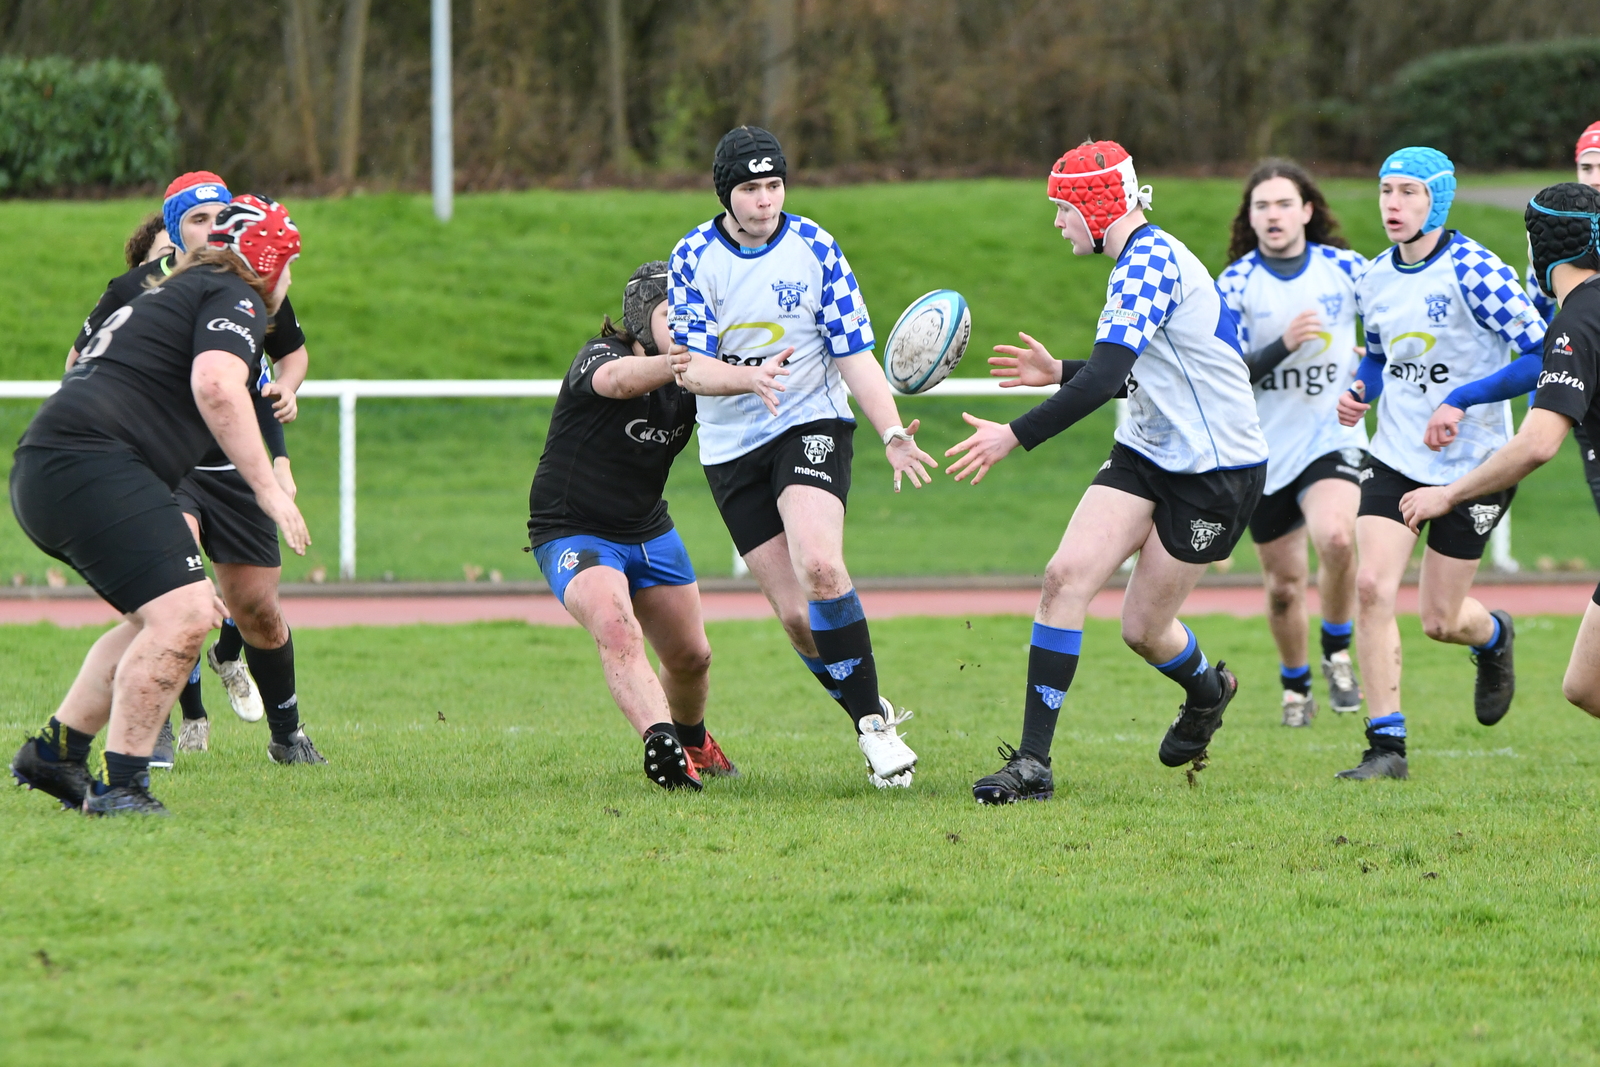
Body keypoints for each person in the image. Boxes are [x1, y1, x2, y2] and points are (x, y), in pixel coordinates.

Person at [947, 140, 1269, 804]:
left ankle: (1208, 691)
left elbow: (1106, 380)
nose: (1058, 223)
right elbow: (1141, 372)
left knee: (1143, 630)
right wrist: (1059, 371)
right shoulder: (1138, 262)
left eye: (1063, 209)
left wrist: (1014, 433)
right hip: (1146, 452)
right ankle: (1033, 762)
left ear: (1096, 207)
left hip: (1218, 470)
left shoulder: (1149, 262)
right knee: (1064, 577)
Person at [9, 195, 310, 816]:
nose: (289, 280)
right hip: (91, 463)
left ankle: (56, 754)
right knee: (187, 616)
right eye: (289, 265)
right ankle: (122, 786)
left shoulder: (184, 286)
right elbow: (217, 385)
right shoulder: (236, 293)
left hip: (58, 464)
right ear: (268, 263)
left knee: (162, 616)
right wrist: (266, 487)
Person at [669, 126, 939, 789]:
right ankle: (868, 714)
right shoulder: (693, 258)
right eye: (751, 189)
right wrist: (749, 378)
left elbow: (853, 352)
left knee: (820, 564)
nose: (765, 201)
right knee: (795, 616)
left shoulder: (814, 247)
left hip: (808, 421)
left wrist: (891, 431)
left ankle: (877, 734)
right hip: (732, 447)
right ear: (725, 194)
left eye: (774, 185)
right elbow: (690, 370)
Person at [1333, 147, 1546, 780]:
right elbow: (1376, 355)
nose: (1392, 205)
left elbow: (1541, 354)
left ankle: (1493, 636)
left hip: (1474, 465)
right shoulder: (1373, 277)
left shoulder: (1476, 269)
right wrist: (1360, 390)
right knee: (1371, 586)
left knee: (1439, 620)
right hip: (1396, 454)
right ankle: (1386, 749)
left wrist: (1462, 398)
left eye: (1408, 193)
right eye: (1385, 191)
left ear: (1438, 200)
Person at [1401, 183, 1600, 717]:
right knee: (1586, 685)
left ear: (1542, 247)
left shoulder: (1576, 323)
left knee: (1587, 685)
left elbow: (1537, 444)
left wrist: (1449, 494)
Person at [528, 262, 729, 791]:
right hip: (572, 529)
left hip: (648, 528)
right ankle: (662, 747)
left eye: (695, 316)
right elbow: (617, 382)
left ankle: (693, 741)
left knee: (691, 657)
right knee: (617, 629)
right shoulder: (602, 356)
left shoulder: (695, 377)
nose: (687, 327)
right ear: (641, 319)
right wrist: (681, 365)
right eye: (673, 315)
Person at [1217, 160, 1368, 727]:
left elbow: (1389, 326)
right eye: (1262, 206)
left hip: (1332, 435)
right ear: (1250, 219)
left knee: (1336, 537)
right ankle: (1295, 686)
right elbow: (1225, 371)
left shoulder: (1347, 269)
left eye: (1284, 204)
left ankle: (1336, 650)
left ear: (1307, 211)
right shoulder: (1234, 285)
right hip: (1264, 451)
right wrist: (1282, 344)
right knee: (1283, 586)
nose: (1273, 215)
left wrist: (1369, 362)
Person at [1523, 122, 1600, 514]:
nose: (1596, 179)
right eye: (1587, 168)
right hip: (1582, 394)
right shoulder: (1553, 242)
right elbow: (1535, 341)